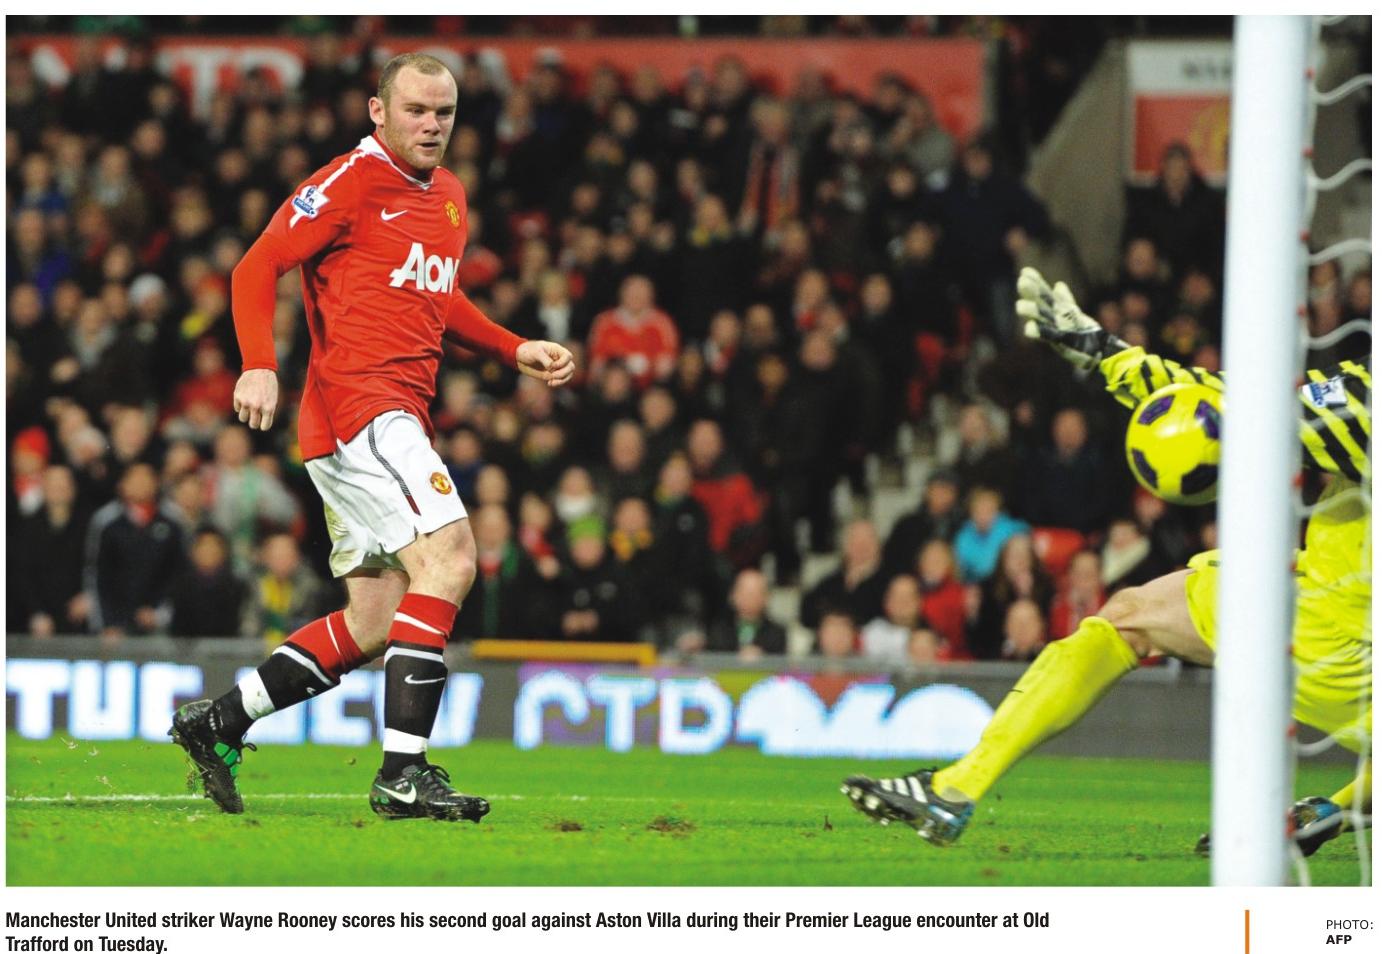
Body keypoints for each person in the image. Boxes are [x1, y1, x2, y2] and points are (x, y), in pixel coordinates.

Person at [170, 53, 574, 822]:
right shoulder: (349, 183)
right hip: (361, 410)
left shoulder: (447, 196)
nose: (432, 124)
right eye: (416, 109)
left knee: (376, 621)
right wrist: (258, 364)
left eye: (444, 112)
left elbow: (436, 296)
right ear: (377, 111)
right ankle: (402, 774)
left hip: (383, 419)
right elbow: (256, 267)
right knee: (451, 557)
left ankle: (217, 721)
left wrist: (510, 346)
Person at [843, 267, 1371, 856]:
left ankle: (952, 789)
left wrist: (1109, 357)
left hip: (1330, 631)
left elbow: (1240, 412)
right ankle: (1332, 812)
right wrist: (1105, 350)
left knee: (1128, 620)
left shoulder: (1366, 401)